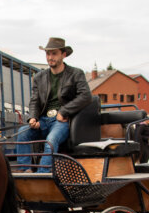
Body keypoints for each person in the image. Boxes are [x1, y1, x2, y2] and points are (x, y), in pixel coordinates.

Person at [14, 37, 92, 172]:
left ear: (64, 54)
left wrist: (64, 111)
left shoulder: (75, 74)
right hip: (43, 120)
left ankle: (41, 175)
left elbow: (86, 96)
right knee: (22, 134)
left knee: (51, 140)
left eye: (54, 53)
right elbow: (35, 101)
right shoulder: (39, 77)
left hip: (62, 121)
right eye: (48, 54)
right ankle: (24, 172)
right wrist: (33, 118)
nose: (50, 57)